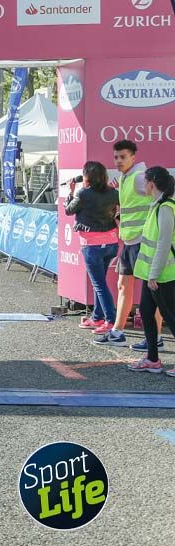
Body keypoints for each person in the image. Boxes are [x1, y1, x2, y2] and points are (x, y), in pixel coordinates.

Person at [104, 140, 161, 348]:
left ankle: (155, 338)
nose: (118, 161)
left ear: (133, 158)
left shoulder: (139, 177)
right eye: (116, 157)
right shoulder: (126, 177)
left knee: (152, 292)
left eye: (123, 157)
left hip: (142, 242)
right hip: (129, 241)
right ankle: (117, 333)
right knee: (123, 285)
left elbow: (162, 196)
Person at [64, 161, 120, 337]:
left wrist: (71, 192)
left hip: (92, 245)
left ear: (87, 177)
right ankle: (97, 317)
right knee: (100, 282)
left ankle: (111, 321)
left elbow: (68, 210)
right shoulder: (113, 193)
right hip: (111, 243)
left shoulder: (83, 193)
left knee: (99, 284)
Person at [128, 167, 175, 374]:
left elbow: (163, 244)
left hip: (162, 275)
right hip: (152, 275)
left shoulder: (165, 208)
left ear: (152, 184)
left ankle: (152, 359)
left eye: (145, 181)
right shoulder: (156, 206)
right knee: (146, 313)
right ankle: (152, 359)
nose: (143, 185)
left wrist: (154, 274)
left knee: (170, 317)